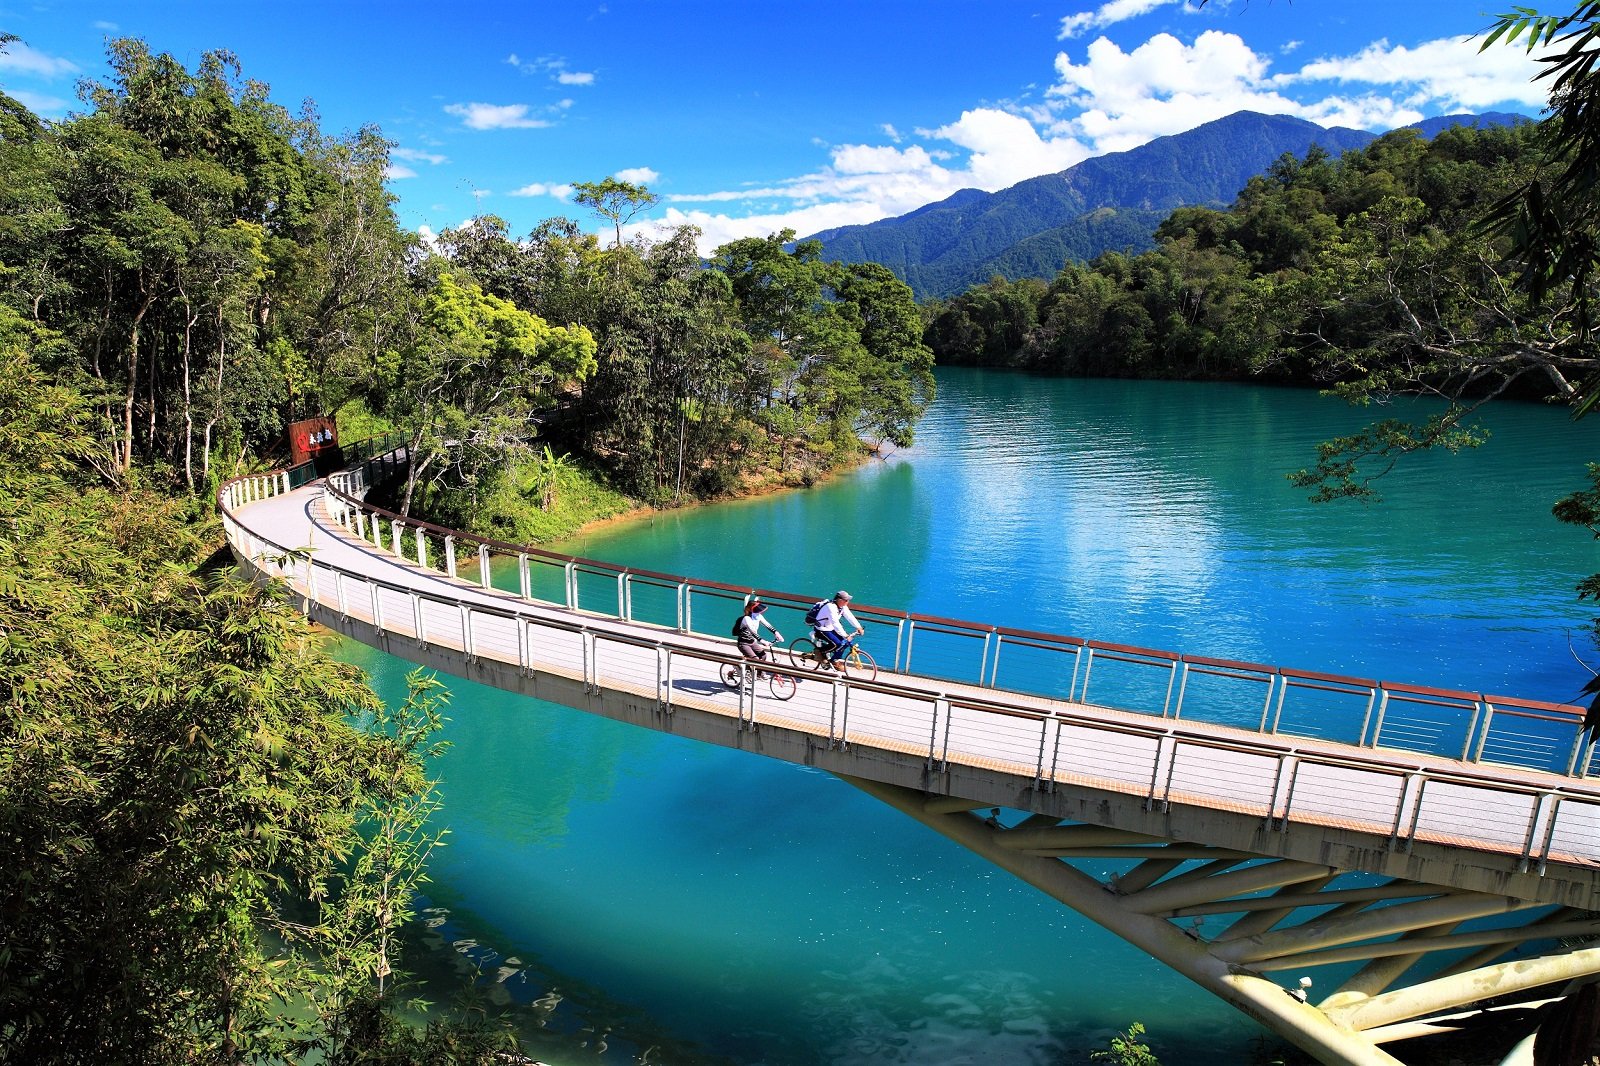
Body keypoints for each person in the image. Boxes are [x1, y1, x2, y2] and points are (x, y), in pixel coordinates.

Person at [812, 590, 864, 671]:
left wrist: (859, 627)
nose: (848, 602)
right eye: (846, 600)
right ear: (840, 600)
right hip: (821, 629)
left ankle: (835, 660)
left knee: (845, 643)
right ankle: (820, 652)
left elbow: (850, 617)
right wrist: (845, 635)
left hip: (830, 628)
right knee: (837, 643)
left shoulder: (842, 607)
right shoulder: (830, 607)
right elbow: (835, 623)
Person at [734, 599, 783, 671]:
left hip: (752, 642)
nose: (760, 612)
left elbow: (767, 625)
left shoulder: (758, 616)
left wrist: (776, 633)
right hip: (743, 643)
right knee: (755, 660)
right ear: (752, 610)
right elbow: (753, 632)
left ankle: (758, 674)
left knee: (763, 656)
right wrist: (763, 641)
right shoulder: (746, 619)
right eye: (758, 610)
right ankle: (740, 669)